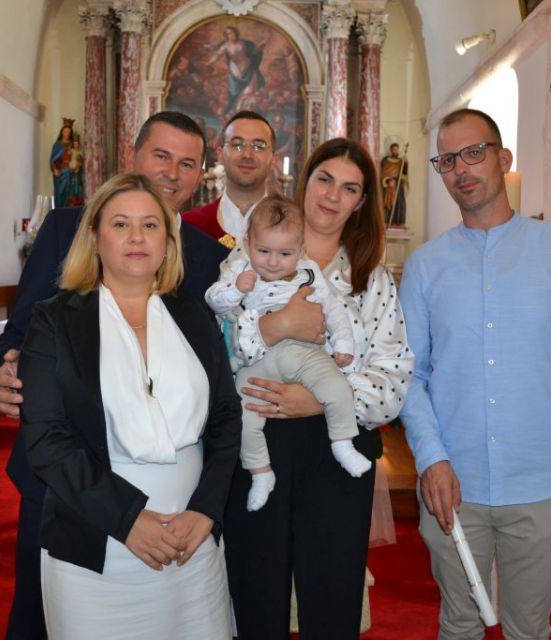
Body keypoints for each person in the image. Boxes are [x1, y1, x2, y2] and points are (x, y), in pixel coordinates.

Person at [0, 111, 230, 640]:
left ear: (199, 176)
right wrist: (11, 373)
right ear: (134, 154)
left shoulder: (211, 260)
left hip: (184, 511)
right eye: (161, 156)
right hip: (67, 481)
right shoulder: (68, 228)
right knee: (37, 617)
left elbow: (221, 387)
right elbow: (22, 334)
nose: (172, 172)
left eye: (187, 164)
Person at [398, 108, 551, 640]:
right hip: (453, 481)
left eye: (474, 153)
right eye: (447, 160)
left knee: (529, 628)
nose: (461, 169)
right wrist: (430, 459)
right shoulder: (426, 265)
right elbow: (410, 375)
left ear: (503, 158)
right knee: (459, 623)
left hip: (539, 479)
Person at [222, 138, 413, 639]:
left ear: (361, 202)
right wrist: (275, 327)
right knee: (255, 596)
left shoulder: (371, 278)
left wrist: (318, 401)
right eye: (325, 179)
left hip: (337, 453)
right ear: (305, 180)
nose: (332, 195)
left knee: (331, 602)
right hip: (258, 444)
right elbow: (215, 350)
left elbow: (393, 375)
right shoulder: (252, 254)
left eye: (349, 188)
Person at [205, 196, 371, 512]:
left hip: (304, 352)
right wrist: (236, 289)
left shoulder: (309, 273)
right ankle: (260, 472)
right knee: (243, 417)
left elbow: (334, 310)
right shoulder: (239, 270)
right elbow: (214, 302)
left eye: (285, 254)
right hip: (256, 359)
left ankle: (342, 442)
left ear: (300, 250)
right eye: (263, 251)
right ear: (248, 243)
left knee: (338, 388)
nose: (272, 262)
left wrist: (344, 345)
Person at [183, 110, 277, 248]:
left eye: (258, 147)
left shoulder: (296, 226)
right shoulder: (189, 226)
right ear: (220, 154)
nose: (247, 155)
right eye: (237, 145)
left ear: (273, 159)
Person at [205, 26, 266, 116]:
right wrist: (209, 63)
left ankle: (246, 111)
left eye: (233, 32)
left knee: (249, 91)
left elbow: (254, 51)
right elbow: (217, 55)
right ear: (226, 36)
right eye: (229, 33)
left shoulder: (244, 43)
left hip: (247, 68)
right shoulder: (226, 46)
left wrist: (261, 46)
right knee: (233, 92)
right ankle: (232, 108)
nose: (232, 34)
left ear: (236, 33)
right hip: (235, 71)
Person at [380, 142, 408, 227]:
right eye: (394, 149)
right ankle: (387, 221)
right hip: (390, 184)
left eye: (397, 149)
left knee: (400, 202)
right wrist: (388, 180)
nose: (396, 151)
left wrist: (406, 164)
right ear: (391, 150)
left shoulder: (401, 161)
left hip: (398, 184)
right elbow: (383, 172)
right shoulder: (386, 160)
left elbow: (404, 173)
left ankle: (399, 222)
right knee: (389, 203)